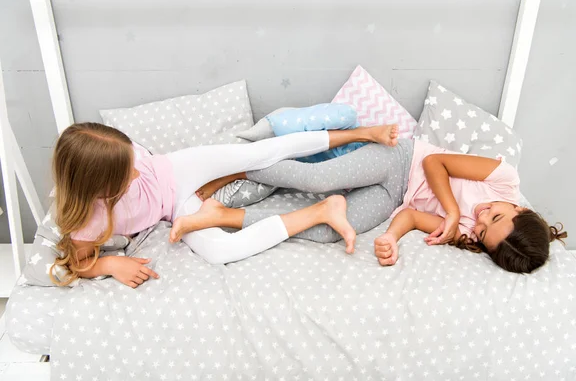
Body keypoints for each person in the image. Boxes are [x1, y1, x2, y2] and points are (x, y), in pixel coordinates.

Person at [51, 122, 399, 287]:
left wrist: (216, 179)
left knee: (259, 152)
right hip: (176, 208)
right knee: (220, 251)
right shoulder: (87, 221)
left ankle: (362, 133)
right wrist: (110, 264)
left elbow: (145, 163)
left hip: (176, 168)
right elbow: (75, 264)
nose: (137, 170)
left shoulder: (135, 159)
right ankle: (320, 211)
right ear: (98, 187)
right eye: (127, 173)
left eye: (132, 159)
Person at [184, 138, 567, 273]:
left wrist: (392, 239)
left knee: (325, 232)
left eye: (482, 233)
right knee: (321, 180)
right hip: (402, 159)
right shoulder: (505, 180)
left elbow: (414, 215)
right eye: (493, 215)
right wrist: (452, 211)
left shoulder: (472, 232)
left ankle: (224, 215)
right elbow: (437, 163)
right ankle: (241, 167)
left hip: (394, 197)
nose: (480, 219)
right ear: (520, 210)